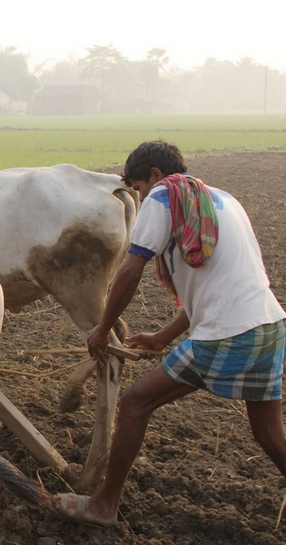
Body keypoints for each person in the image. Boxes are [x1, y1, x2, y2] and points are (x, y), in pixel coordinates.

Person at [52, 140, 286, 525]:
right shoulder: (223, 200)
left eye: (138, 188)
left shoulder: (164, 197)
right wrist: (163, 335)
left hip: (227, 336)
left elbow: (130, 271)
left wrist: (102, 329)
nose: (140, 197)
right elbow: (219, 284)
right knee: (268, 433)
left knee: (135, 403)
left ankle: (103, 505)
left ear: (156, 177)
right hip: (267, 326)